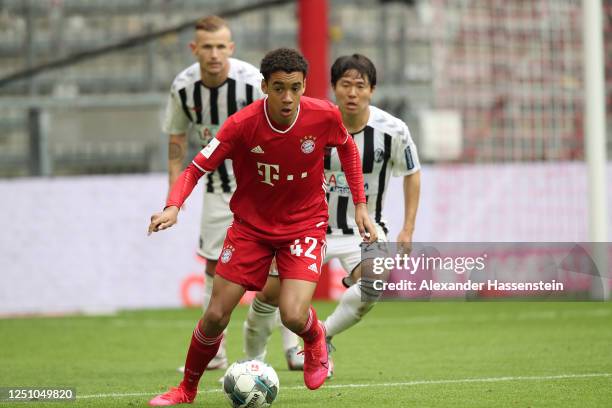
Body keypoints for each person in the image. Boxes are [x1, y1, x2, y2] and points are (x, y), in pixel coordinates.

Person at [147, 48, 378, 406]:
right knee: (215, 315)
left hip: (304, 226)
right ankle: (186, 390)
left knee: (293, 314)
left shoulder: (324, 116)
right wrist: (173, 206)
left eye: (296, 88)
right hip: (251, 229)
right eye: (279, 88)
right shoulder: (242, 125)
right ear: (265, 86)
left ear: (304, 86)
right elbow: (195, 167)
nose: (288, 98)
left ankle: (315, 337)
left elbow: (347, 150)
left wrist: (360, 205)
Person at [242, 53, 421, 378]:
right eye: (345, 85)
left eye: (360, 86)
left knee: (376, 280)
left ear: (372, 90)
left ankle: (321, 335)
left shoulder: (393, 130)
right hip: (306, 227)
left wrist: (407, 228)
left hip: (363, 229)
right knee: (270, 294)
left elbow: (413, 172)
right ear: (333, 88)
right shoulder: (310, 122)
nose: (352, 93)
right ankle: (254, 363)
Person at [162, 15, 301, 371]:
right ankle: (215, 353)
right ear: (194, 49)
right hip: (217, 187)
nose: (214, 54)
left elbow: (287, 119)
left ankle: (293, 346)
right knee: (213, 264)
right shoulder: (183, 87)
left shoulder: (253, 82)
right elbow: (177, 140)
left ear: (231, 48)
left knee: (278, 267)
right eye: (207, 47)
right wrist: (173, 195)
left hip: (263, 187)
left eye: (221, 46)